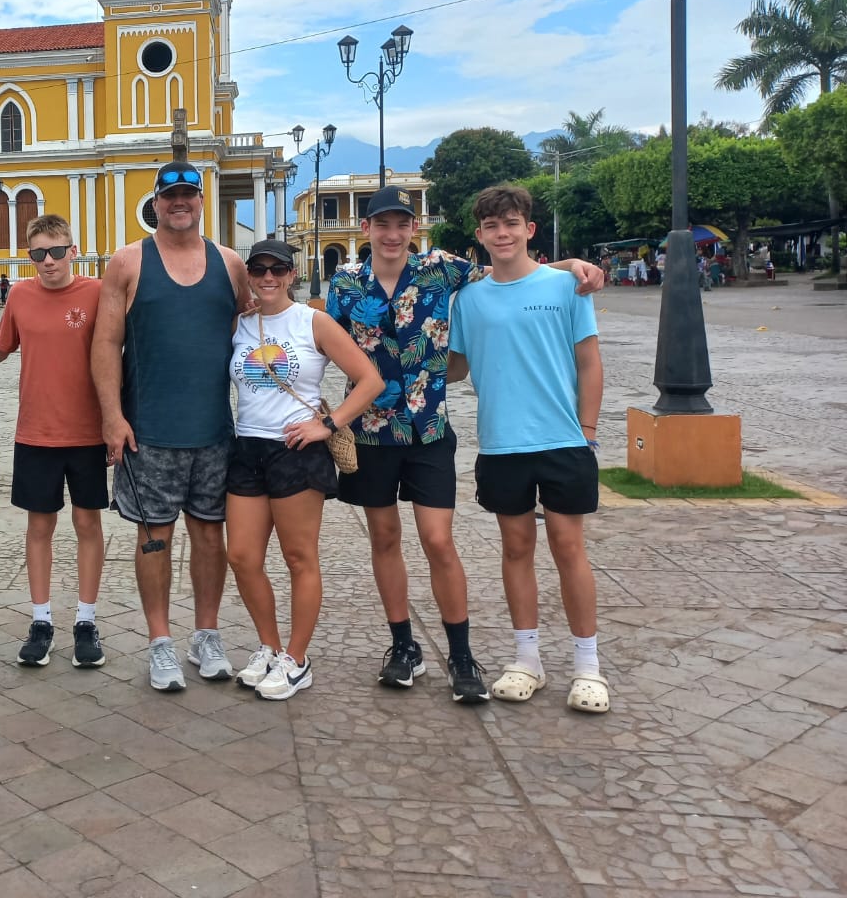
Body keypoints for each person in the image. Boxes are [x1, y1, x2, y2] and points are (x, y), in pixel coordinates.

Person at [325, 185, 603, 704]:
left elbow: (509, 268)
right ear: (366, 229)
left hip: (429, 429)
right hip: (371, 430)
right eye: (382, 224)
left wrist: (574, 267)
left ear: (414, 228)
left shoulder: (442, 270)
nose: (392, 234)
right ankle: (403, 647)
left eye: (401, 224)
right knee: (383, 538)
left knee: (437, 540)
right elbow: (322, 338)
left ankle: (460, 653)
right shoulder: (345, 283)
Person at [447, 185, 609, 715]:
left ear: (529, 229)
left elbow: (589, 361)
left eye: (512, 224)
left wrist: (588, 429)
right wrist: (394, 360)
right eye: (493, 226)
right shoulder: (469, 300)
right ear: (480, 235)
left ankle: (588, 667)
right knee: (515, 548)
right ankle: (527, 659)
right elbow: (456, 367)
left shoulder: (566, 287)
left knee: (568, 546)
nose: (503, 234)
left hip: (563, 438)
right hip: (501, 442)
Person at [91, 158, 251, 692]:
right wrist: (112, 418)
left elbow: (251, 331)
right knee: (154, 537)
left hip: (214, 431)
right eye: (169, 195)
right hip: (149, 432)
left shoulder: (230, 264)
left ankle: (207, 634)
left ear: (201, 200)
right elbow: (106, 342)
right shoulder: (128, 262)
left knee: (209, 535)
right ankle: (160, 641)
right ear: (155, 202)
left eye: (188, 193)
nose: (179, 202)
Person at [227, 240, 383, 700]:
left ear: (292, 275)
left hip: (296, 449)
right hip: (247, 446)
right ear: (249, 275)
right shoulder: (240, 324)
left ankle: (297, 658)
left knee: (299, 558)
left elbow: (370, 380)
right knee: (242, 556)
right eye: (259, 269)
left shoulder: (313, 321)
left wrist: (328, 425)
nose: (268, 277)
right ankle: (270, 647)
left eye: (278, 269)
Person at [0, 214, 108, 669]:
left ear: (73, 251)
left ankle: (86, 620)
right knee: (39, 527)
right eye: (38, 253)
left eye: (56, 251)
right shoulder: (19, 294)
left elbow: (124, 350)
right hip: (35, 432)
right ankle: (41, 621)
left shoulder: (97, 293)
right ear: (30, 255)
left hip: (88, 433)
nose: (48, 261)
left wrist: (118, 421)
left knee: (88, 524)